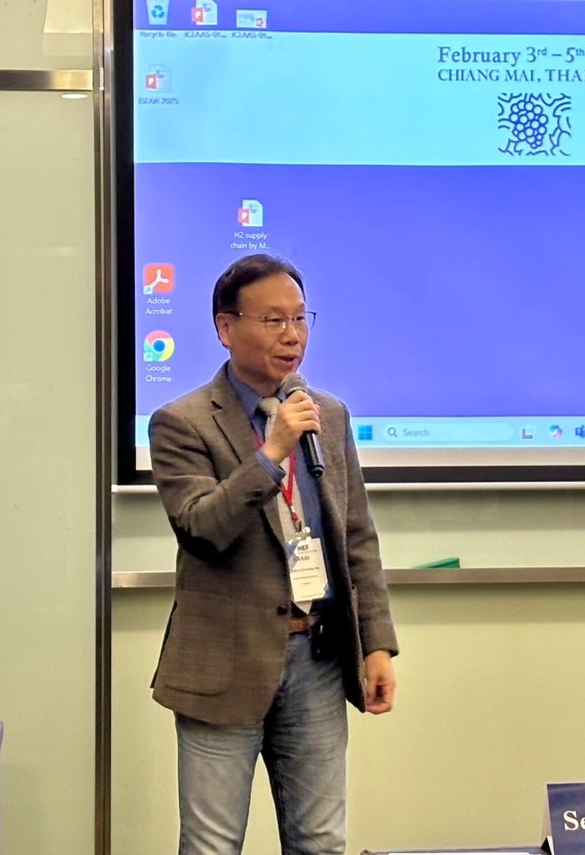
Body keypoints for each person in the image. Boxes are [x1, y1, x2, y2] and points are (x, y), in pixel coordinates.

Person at [149, 254, 398, 855]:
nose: (292, 335)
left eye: (300, 319)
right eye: (273, 320)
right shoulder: (182, 423)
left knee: (321, 841)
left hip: (318, 657)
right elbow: (201, 528)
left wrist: (377, 644)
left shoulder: (327, 414)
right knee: (211, 845)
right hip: (223, 663)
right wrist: (272, 452)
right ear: (225, 327)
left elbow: (355, 537)